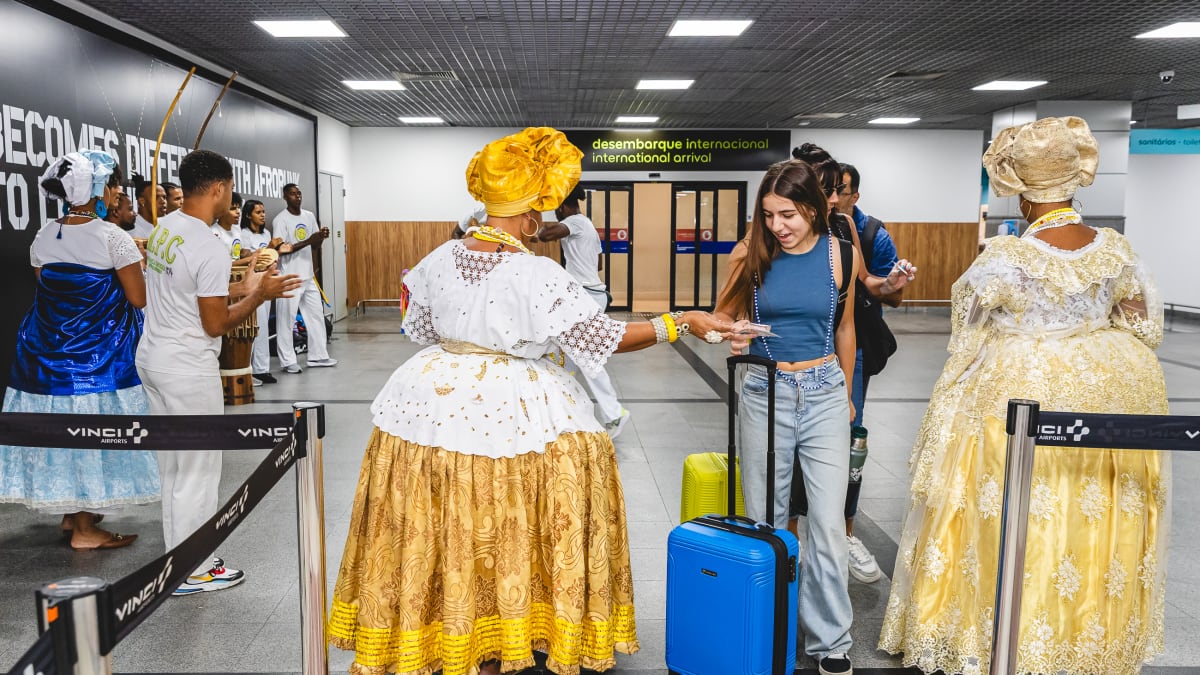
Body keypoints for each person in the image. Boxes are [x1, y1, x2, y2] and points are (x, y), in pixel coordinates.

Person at [327, 127, 733, 675]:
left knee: (450, 519)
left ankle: (446, 629)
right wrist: (677, 321)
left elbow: (418, 327)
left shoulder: (438, 257)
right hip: (516, 403)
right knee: (517, 514)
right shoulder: (537, 272)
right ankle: (517, 624)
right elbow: (600, 340)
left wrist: (468, 335)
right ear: (528, 216)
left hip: (427, 401)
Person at [879, 117, 1170, 674]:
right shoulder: (1114, 249)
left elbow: (967, 331)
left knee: (1008, 510)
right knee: (1089, 510)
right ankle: (1082, 638)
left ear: (1023, 195)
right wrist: (1089, 336)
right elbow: (1142, 326)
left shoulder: (1006, 257)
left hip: (1013, 396)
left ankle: (994, 638)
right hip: (1100, 396)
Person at [713, 158, 858, 675]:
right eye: (770, 214)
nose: (778, 226)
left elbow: (844, 328)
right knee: (767, 519)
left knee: (825, 521)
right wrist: (730, 334)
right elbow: (722, 318)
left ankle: (831, 641)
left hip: (823, 390)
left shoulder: (842, 255)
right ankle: (770, 627)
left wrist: (845, 392)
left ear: (815, 211)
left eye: (790, 215)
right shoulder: (748, 255)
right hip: (764, 389)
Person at [137, 149, 301, 595]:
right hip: (187, 367)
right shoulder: (208, 244)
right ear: (217, 188)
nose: (230, 195)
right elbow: (215, 323)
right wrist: (259, 295)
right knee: (199, 470)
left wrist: (241, 285)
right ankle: (194, 567)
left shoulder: (166, 227)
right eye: (229, 188)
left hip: (153, 358)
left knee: (174, 466)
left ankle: (176, 557)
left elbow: (187, 287)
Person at [0, 150, 158, 550]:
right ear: (97, 191)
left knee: (63, 435)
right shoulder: (113, 238)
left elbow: (51, 287)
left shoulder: (44, 235)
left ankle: (73, 515)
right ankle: (86, 531)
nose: (116, 192)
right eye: (113, 186)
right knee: (90, 435)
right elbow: (137, 299)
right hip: (96, 358)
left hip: (45, 351)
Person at [533, 185, 630, 437]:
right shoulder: (588, 226)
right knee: (572, 353)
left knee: (584, 355)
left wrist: (530, 224)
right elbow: (598, 263)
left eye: (557, 209)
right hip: (591, 295)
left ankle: (613, 412)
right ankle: (568, 405)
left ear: (562, 206)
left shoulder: (575, 221)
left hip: (586, 297)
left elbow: (544, 234)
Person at [272, 183, 336, 373]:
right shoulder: (280, 220)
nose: (297, 196)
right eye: (292, 194)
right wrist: (310, 240)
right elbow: (282, 249)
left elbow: (315, 246)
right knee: (286, 320)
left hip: (308, 276)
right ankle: (288, 361)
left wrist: (321, 237)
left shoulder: (308, 216)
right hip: (289, 277)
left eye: (299, 193)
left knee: (316, 315)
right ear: (285, 197)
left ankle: (318, 356)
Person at [241, 199, 282, 384]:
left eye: (264, 211)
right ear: (248, 215)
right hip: (252, 284)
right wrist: (270, 248)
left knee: (264, 326)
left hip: (267, 281)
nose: (263, 215)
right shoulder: (244, 234)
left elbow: (269, 258)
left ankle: (262, 368)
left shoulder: (266, 233)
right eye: (258, 212)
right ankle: (252, 368)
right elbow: (247, 257)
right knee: (255, 326)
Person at [210, 191, 248, 260]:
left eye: (239, 208)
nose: (238, 212)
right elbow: (221, 264)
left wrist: (247, 254)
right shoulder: (213, 233)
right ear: (221, 211)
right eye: (232, 209)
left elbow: (236, 257)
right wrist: (250, 259)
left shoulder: (237, 231)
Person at [130, 173, 167, 239]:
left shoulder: (166, 224)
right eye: (156, 197)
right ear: (142, 201)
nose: (163, 201)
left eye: (164, 197)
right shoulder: (132, 229)